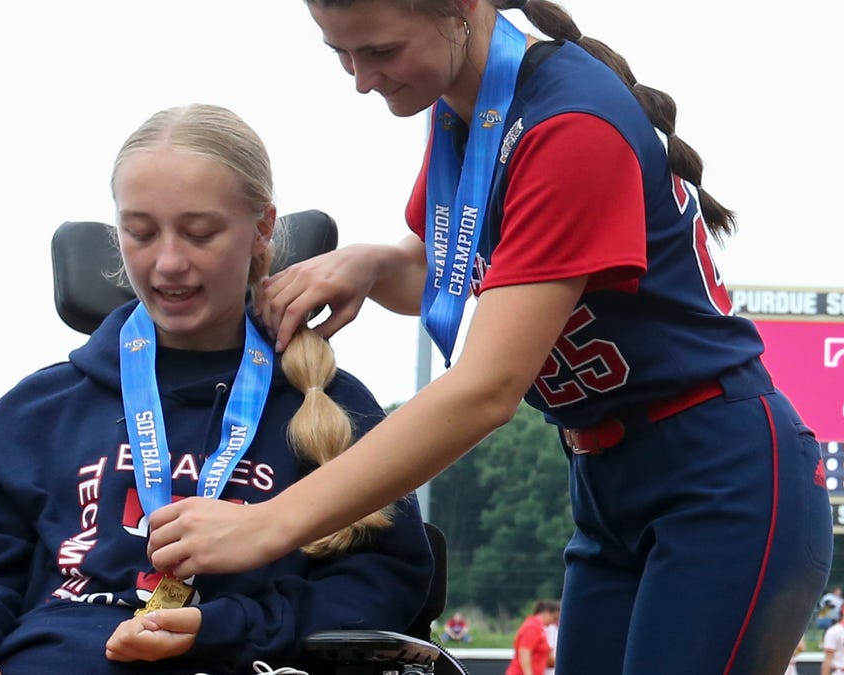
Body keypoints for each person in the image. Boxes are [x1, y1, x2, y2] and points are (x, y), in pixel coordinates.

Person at [144, 1, 833, 673]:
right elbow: (453, 272)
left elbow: (487, 389)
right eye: (340, 53)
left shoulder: (568, 124)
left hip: (717, 473)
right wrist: (374, 262)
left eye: (380, 51)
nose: (360, 79)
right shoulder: (465, 112)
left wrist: (267, 524)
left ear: (461, 11)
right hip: (606, 483)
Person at [0, 103, 434, 675]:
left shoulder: (330, 407)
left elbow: (378, 590)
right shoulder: (36, 412)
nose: (168, 262)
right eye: (141, 233)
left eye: (199, 233)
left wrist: (223, 627)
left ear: (263, 228)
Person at [506, 600, 559, 675]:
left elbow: (547, 660)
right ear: (546, 613)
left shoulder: (541, 629)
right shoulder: (532, 627)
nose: (554, 622)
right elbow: (524, 652)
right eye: (554, 618)